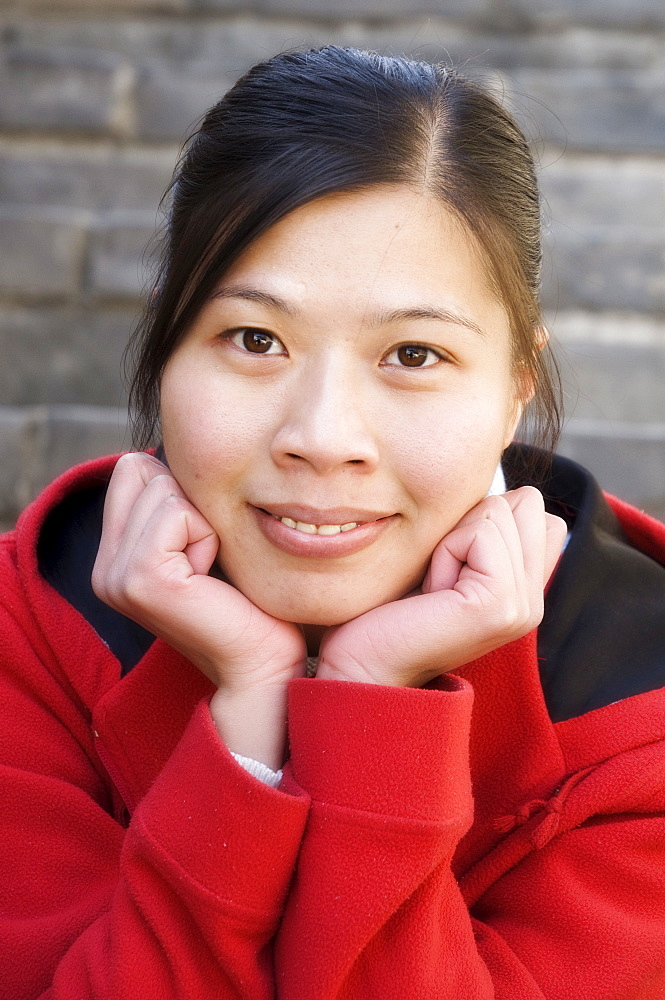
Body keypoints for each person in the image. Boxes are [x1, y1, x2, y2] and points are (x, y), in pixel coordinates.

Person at [1, 45, 664, 999]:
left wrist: (373, 705)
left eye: (413, 353)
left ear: (517, 384)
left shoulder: (635, 720)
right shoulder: (28, 634)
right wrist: (246, 720)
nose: (322, 438)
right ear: (163, 345)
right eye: (255, 339)